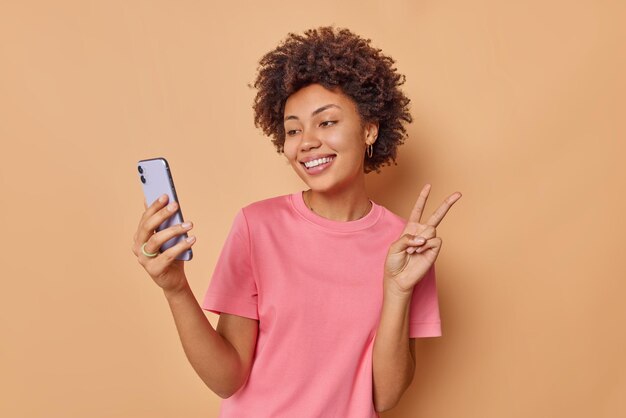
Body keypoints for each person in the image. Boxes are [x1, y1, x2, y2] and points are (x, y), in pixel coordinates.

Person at [132, 26, 461, 417]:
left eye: (326, 122)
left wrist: (398, 291)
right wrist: (174, 289)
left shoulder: (405, 247)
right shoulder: (258, 226)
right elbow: (227, 378)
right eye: (292, 129)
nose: (306, 141)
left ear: (369, 129)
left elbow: (384, 397)